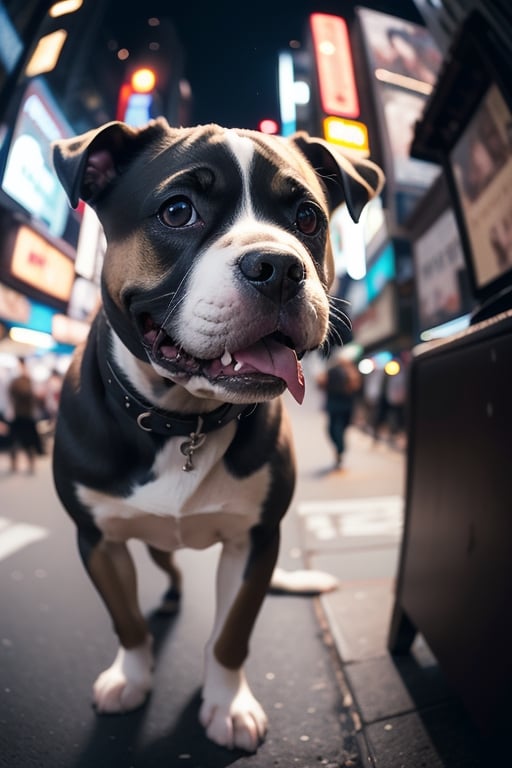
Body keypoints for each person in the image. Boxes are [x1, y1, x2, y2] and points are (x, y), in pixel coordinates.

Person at [317, 353, 362, 470]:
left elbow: (320, 384)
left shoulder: (342, 372)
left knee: (334, 429)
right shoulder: (346, 373)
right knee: (338, 430)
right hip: (342, 406)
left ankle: (340, 449)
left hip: (338, 406)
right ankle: (340, 450)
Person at [7, 358, 43, 474]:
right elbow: (21, 393)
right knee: (14, 441)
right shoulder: (18, 382)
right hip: (18, 415)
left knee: (27, 441)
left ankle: (30, 464)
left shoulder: (28, 380)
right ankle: (15, 464)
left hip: (27, 414)